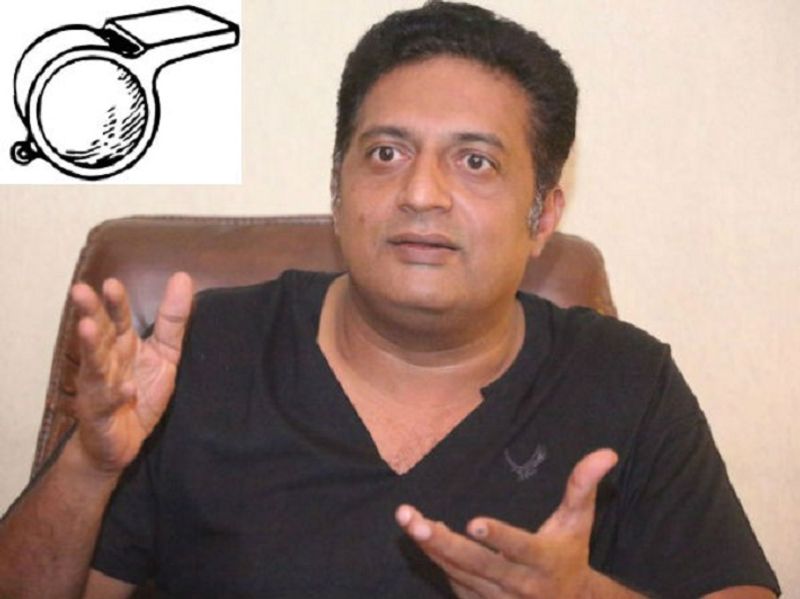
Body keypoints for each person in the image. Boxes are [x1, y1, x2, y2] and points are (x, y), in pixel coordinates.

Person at [0, 2, 780, 597]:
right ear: (337, 191)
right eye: (386, 152)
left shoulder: (625, 379)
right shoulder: (204, 352)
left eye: (475, 161)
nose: (421, 193)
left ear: (543, 216)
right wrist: (90, 465)